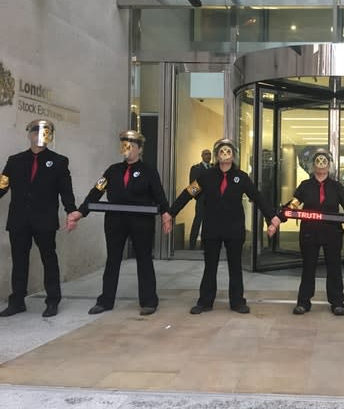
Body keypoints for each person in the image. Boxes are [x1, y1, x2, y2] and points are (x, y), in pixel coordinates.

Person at [66, 130, 172, 316]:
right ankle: (105, 301)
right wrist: (80, 212)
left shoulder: (148, 171)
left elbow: (159, 195)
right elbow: (96, 192)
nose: (127, 149)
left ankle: (148, 301)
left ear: (139, 149)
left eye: (131, 146)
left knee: (144, 260)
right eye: (124, 145)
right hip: (115, 220)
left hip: (141, 222)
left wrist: (166, 214)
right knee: (113, 260)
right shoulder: (112, 170)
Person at [170, 138, 281, 315]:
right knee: (210, 266)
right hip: (212, 228)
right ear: (216, 155)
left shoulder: (242, 177)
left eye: (228, 151)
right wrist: (171, 212)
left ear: (233, 155)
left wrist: (272, 217)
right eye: (221, 151)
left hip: (234, 228)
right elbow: (188, 193)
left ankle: (237, 302)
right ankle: (205, 302)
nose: (225, 155)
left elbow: (257, 196)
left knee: (235, 266)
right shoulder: (206, 176)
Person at [275, 148, 344, 316]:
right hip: (309, 234)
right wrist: (277, 219)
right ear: (313, 165)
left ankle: (337, 303)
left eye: (324, 162)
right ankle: (303, 303)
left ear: (329, 165)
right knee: (308, 268)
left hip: (332, 234)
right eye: (317, 162)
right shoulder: (305, 186)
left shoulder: (337, 187)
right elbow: (293, 205)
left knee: (334, 268)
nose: (321, 166)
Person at [0, 120, 76, 318]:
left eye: (45, 132)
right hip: (19, 220)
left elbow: (66, 191)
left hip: (45, 219)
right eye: (36, 132)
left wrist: (72, 212)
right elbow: (2, 185)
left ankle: (52, 301)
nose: (40, 136)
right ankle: (17, 302)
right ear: (29, 135)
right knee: (19, 260)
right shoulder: (14, 161)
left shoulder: (59, 161)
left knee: (49, 259)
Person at [188, 149, 212, 251]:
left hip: (212, 201)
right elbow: (192, 184)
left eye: (209, 154)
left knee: (208, 223)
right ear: (202, 156)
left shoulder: (214, 168)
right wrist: (198, 197)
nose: (208, 156)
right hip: (201, 199)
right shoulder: (196, 168)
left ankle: (204, 245)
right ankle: (192, 245)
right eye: (206, 154)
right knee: (198, 221)